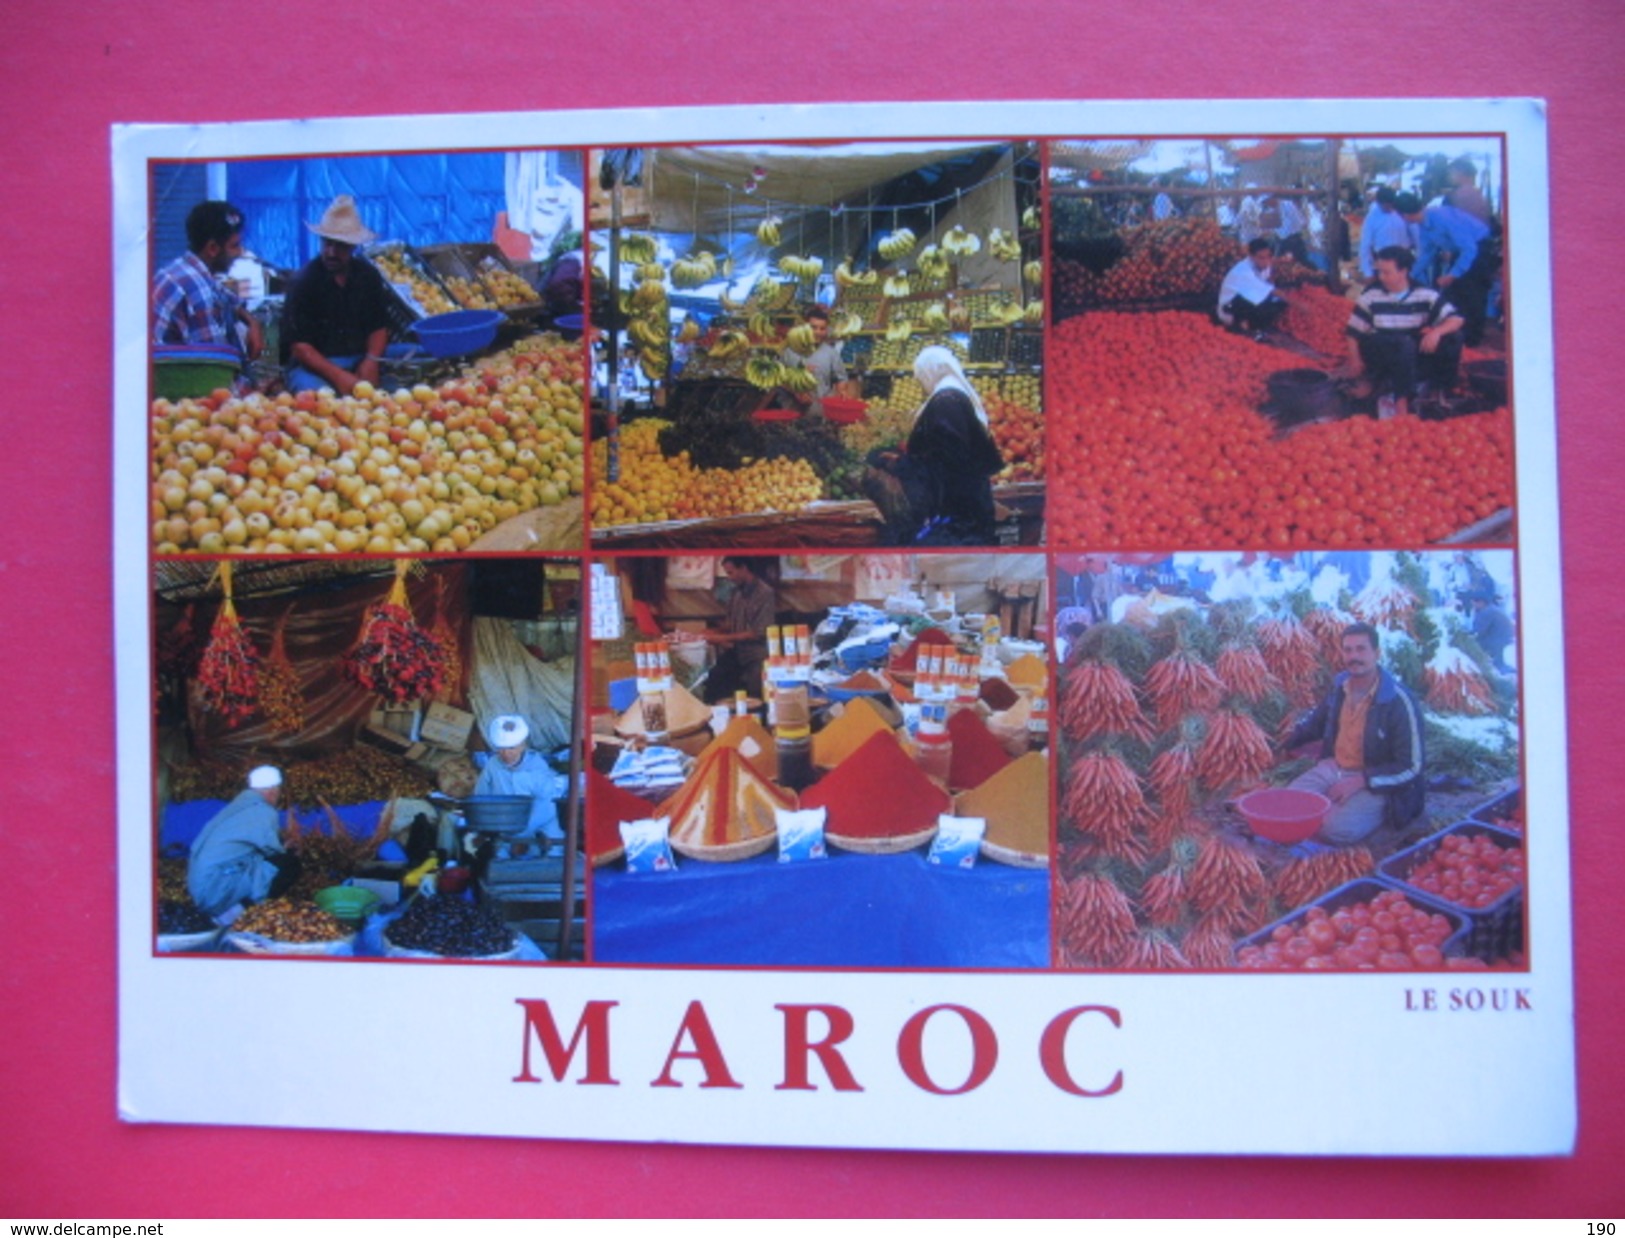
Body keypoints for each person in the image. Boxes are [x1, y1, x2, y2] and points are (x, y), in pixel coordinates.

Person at [1284, 623, 1425, 846]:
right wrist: (1278, 743)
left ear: (1377, 653)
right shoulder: (1340, 687)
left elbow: (1412, 767)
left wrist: (1363, 780)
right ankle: (1335, 804)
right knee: (1287, 805)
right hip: (1335, 767)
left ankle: (1376, 814)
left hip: (1377, 780)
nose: (1354, 656)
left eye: (1361, 649)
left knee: (1334, 829)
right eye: (1348, 650)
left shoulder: (1398, 701)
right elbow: (1315, 724)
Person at [867, 346, 1004, 545]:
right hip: (967, 505)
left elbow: (945, 463)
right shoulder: (952, 394)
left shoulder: (945, 402)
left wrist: (904, 465)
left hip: (958, 515)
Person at [281, 195, 397, 395]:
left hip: (359, 356)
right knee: (318, 396)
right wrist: (339, 376)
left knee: (411, 363)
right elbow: (300, 347)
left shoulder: (367, 275)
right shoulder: (305, 282)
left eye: (340, 245)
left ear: (353, 246)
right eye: (327, 244)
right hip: (317, 364)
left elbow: (378, 327)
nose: (331, 252)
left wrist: (371, 361)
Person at [1344, 245, 1466, 419]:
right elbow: (1353, 332)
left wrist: (1437, 332)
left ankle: (1440, 391)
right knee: (1402, 343)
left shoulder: (1424, 294)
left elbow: (1456, 319)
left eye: (1387, 272)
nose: (1381, 277)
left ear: (1403, 272)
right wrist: (1355, 360)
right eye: (1379, 272)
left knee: (1453, 337)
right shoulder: (1370, 296)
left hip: (1409, 353)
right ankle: (1401, 404)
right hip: (1380, 352)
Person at [152, 200, 265, 364]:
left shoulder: (183, 268)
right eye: (234, 246)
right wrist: (256, 388)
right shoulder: (198, 291)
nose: (240, 253)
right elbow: (216, 366)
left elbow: (224, 295)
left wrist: (251, 321)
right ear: (213, 248)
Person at [187, 765, 297, 916]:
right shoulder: (262, 810)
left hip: (199, 887)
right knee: (288, 865)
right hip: (214, 892)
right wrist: (287, 848)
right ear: (272, 792)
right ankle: (237, 915)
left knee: (265, 864)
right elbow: (273, 853)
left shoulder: (238, 806)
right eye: (278, 793)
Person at [1403, 193, 1496, 347]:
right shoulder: (1423, 224)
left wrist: (1454, 273)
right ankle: (1459, 336)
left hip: (1478, 249)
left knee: (1471, 294)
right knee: (1454, 294)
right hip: (1460, 252)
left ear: (1406, 214)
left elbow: (1469, 248)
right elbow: (1427, 253)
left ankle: (1472, 340)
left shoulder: (1441, 217)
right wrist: (1409, 275)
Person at [473, 715, 569, 844]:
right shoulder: (493, 765)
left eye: (511, 748)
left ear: (522, 745)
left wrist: (522, 834)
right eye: (501, 749)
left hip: (541, 828)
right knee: (500, 858)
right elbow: (481, 796)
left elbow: (547, 806)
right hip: (505, 828)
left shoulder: (537, 766)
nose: (506, 754)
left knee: (550, 855)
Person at [693, 556, 776, 703]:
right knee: (714, 680)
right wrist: (713, 632)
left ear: (743, 568)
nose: (729, 578)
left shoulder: (765, 593)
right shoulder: (736, 593)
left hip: (756, 655)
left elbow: (758, 633)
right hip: (737, 652)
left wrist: (722, 638)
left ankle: (757, 718)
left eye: (731, 573)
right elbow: (731, 624)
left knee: (755, 690)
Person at [779, 305, 854, 414]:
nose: (817, 332)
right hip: (793, 410)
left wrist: (842, 391)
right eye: (813, 327)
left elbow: (841, 377)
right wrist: (796, 392)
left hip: (821, 411)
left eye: (822, 328)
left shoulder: (831, 353)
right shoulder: (790, 351)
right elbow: (779, 379)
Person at [1216, 238, 1288, 334]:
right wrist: (1300, 304)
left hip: (1248, 299)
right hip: (1230, 306)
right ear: (1251, 257)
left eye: (1268, 256)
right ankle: (1239, 326)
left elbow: (1268, 282)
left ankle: (1251, 327)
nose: (1266, 261)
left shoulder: (1265, 265)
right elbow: (1270, 290)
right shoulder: (1243, 270)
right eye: (1261, 257)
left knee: (1277, 304)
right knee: (1259, 300)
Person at [1357, 187, 1413, 279]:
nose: (1389, 208)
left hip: (1404, 258)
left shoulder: (1401, 212)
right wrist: (1368, 272)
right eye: (1386, 206)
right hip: (1385, 260)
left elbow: (1413, 234)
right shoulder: (1372, 218)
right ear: (1378, 203)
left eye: (1390, 205)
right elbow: (1365, 245)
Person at [1468, 589, 1516, 675]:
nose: (1473, 605)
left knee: (1474, 648)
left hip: (1497, 640)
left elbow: (1478, 631)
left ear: (1482, 602)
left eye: (1475, 602)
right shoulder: (1491, 609)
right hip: (1501, 638)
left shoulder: (1487, 612)